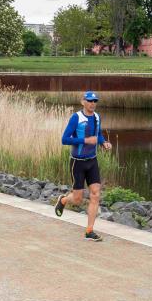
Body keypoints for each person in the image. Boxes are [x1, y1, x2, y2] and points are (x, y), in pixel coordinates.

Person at [54, 90, 112, 242]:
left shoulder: (97, 117)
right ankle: (63, 200)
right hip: (77, 162)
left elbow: (98, 134)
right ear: (83, 102)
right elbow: (65, 139)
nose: (92, 103)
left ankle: (89, 231)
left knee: (95, 194)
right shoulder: (76, 118)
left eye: (95, 101)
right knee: (77, 199)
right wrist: (85, 140)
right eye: (90, 101)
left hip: (92, 161)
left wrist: (103, 142)